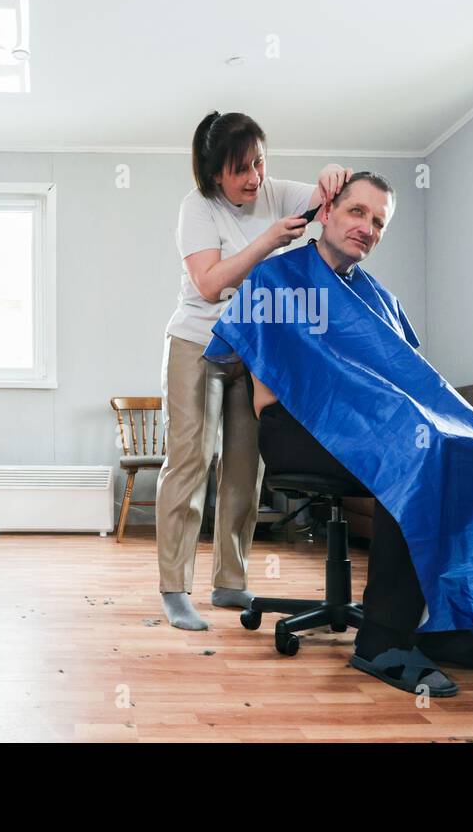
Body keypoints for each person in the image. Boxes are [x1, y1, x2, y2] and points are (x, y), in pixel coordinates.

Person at [204, 172, 473, 696]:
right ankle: (381, 641)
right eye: (358, 212)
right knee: (413, 452)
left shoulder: (379, 299)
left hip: (374, 422)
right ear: (328, 211)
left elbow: (405, 378)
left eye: (379, 222)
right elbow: (259, 369)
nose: (367, 227)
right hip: (296, 427)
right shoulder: (276, 278)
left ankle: (451, 626)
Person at [154, 110, 350, 631]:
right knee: (191, 461)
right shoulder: (196, 208)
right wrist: (268, 242)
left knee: (246, 468)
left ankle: (230, 581)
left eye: (259, 163)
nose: (254, 178)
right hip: (198, 343)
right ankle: (175, 588)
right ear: (215, 173)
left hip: (254, 350)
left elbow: (330, 200)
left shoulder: (273, 192)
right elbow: (210, 285)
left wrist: (334, 174)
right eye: (241, 169)